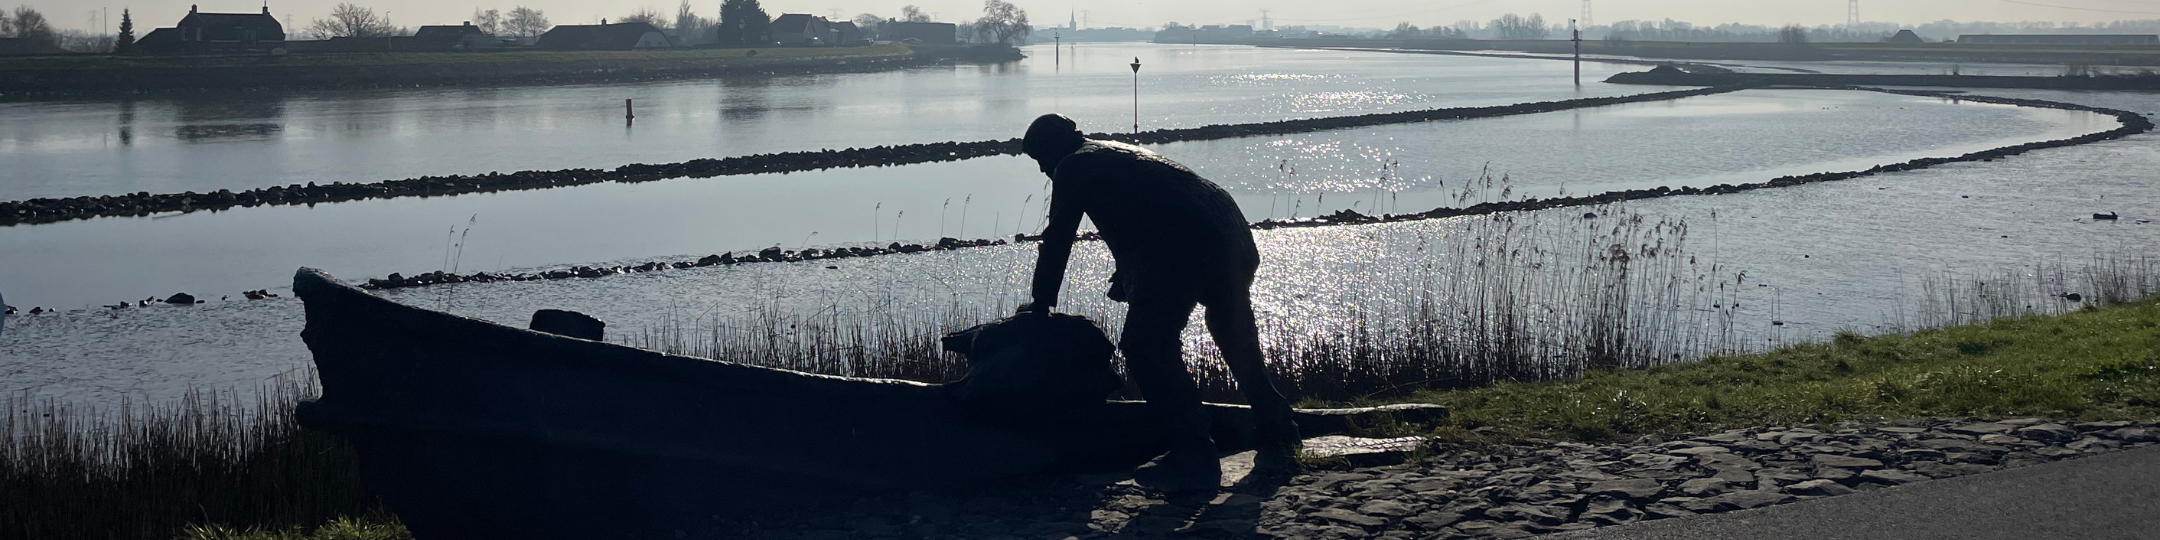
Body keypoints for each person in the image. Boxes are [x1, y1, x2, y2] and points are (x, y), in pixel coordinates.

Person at [1017, 113, 1300, 491]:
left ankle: (1193, 453)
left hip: (1185, 245)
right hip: (1230, 234)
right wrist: (1132, 273)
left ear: (1052, 149)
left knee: (1146, 346)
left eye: (1040, 161)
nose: (1043, 171)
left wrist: (1040, 301)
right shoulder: (1111, 151)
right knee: (1231, 331)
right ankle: (1277, 424)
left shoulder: (1073, 164)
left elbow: (1058, 237)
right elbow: (1150, 211)